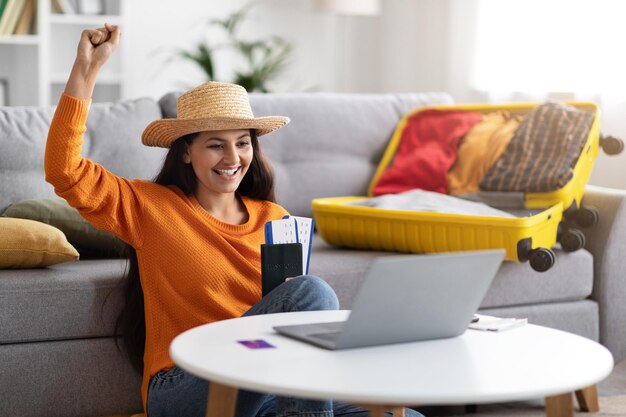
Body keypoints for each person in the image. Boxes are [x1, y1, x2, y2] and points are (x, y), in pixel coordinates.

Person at [44, 24, 425, 417]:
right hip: (186, 383)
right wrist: (85, 71)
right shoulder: (150, 207)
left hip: (269, 388)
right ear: (187, 153)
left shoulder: (275, 219)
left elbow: (293, 337)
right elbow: (64, 169)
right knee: (313, 293)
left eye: (242, 143)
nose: (232, 158)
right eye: (215, 145)